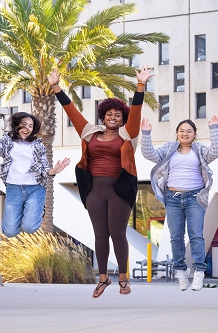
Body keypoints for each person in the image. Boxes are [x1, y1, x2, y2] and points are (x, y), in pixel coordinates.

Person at [47, 66, 154, 298]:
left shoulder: (129, 135)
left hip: (119, 189)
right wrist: (56, 87)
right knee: (99, 234)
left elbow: (136, 109)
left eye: (118, 115)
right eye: (109, 114)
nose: (113, 117)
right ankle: (103, 278)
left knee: (117, 233)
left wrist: (140, 85)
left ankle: (123, 278)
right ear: (102, 116)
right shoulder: (88, 132)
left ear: (122, 119)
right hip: (94, 188)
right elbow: (70, 110)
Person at [141, 116, 218, 291]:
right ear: (177, 134)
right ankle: (180, 271)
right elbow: (150, 154)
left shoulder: (199, 150)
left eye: (189, 131)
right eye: (182, 131)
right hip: (173, 198)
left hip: (195, 198)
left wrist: (214, 129)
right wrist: (146, 133)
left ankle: (199, 271)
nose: (185, 134)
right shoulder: (169, 148)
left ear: (194, 134)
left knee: (196, 235)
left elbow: (216, 151)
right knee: (176, 237)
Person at [0, 109, 70, 238]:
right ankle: (26, 211)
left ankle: (37, 210)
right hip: (14, 188)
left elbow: (44, 170)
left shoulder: (38, 145)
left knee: (30, 227)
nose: (27, 128)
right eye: (24, 124)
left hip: (35, 188)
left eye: (31, 126)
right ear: (17, 126)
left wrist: (54, 171)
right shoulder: (8, 141)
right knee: (9, 232)